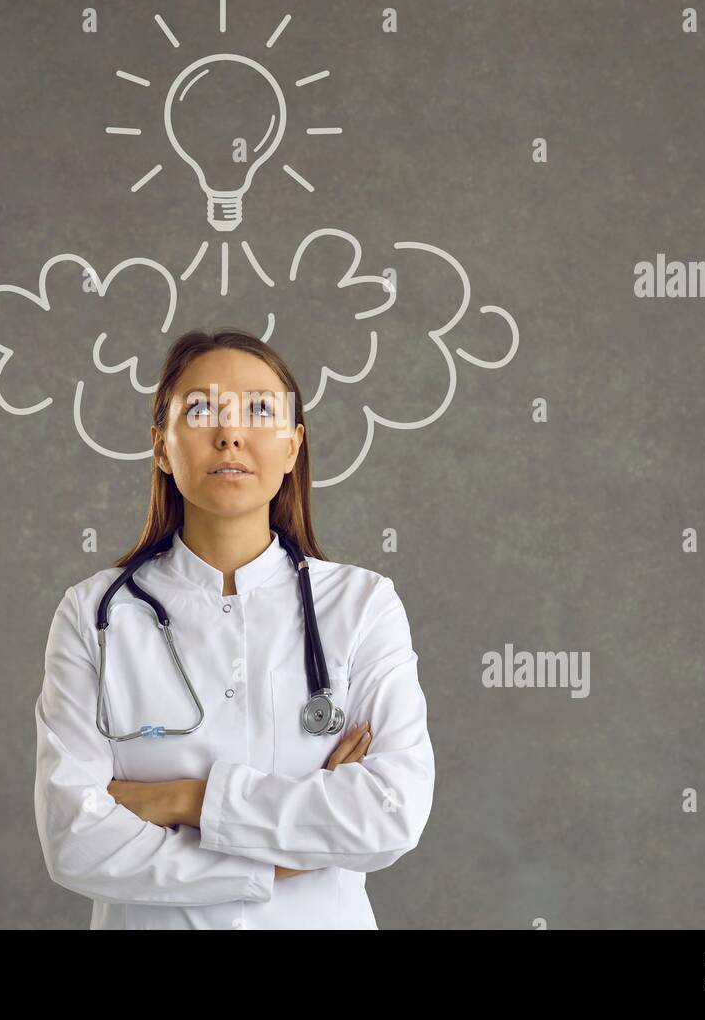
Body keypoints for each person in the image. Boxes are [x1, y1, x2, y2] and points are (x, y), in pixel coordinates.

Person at [33, 327, 435, 928]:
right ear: (162, 448)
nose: (229, 433)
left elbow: (389, 812)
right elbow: (74, 840)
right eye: (200, 410)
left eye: (259, 410)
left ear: (294, 447)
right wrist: (279, 859)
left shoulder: (363, 606)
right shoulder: (96, 615)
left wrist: (185, 800)